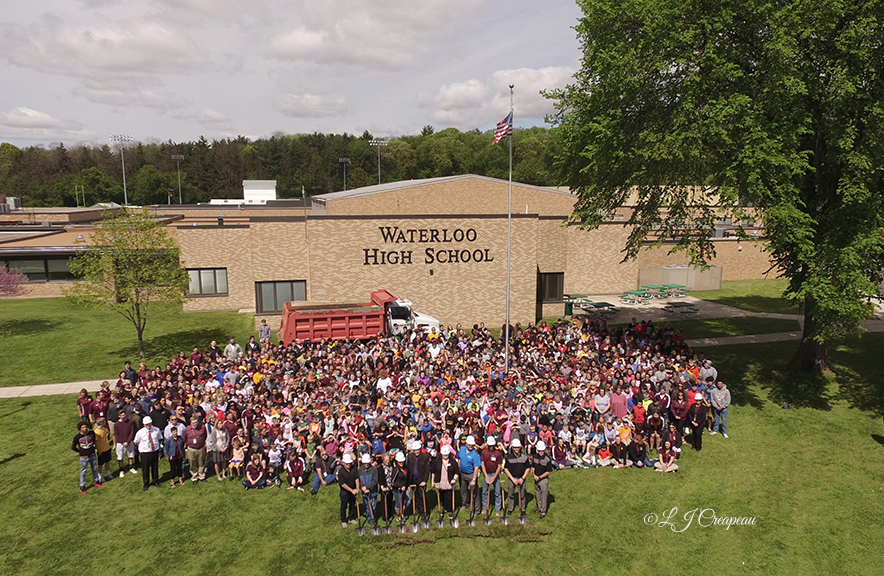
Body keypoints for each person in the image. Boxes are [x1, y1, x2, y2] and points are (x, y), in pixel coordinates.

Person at [72, 421, 103, 494]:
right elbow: (73, 447)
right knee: (83, 471)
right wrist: (80, 452)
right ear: (80, 428)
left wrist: (98, 450)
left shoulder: (92, 433)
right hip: (84, 457)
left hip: (92, 455)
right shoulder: (77, 437)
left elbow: (95, 442)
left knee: (94, 468)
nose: (85, 428)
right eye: (83, 427)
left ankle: (97, 481)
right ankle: (82, 486)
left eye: (86, 427)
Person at [132, 416, 163, 491]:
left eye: (149, 423)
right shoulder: (140, 432)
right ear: (144, 425)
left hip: (154, 451)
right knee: (145, 469)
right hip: (145, 453)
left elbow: (159, 438)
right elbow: (136, 442)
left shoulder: (156, 430)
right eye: (147, 424)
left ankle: (155, 481)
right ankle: (146, 483)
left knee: (155, 467)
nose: (148, 425)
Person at [457, 435, 482, 519]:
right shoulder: (462, 449)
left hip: (471, 474)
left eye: (472, 445)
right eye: (469, 444)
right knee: (463, 490)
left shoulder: (475, 454)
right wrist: (459, 466)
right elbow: (459, 457)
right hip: (462, 473)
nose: (470, 446)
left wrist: (474, 479)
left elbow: (476, 467)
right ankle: (465, 504)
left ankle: (477, 510)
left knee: (474, 493)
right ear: (466, 444)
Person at [431, 445, 459, 520]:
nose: (445, 456)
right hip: (440, 482)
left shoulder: (452, 461)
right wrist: (432, 481)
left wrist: (454, 479)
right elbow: (433, 472)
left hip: (449, 482)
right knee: (442, 496)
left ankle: (449, 510)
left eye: (447, 454)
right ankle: (444, 508)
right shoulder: (436, 461)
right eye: (444, 454)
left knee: (449, 497)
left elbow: (457, 471)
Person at [406, 440, 430, 521]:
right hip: (413, 479)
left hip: (421, 478)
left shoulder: (425, 457)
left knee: (422, 494)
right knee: (415, 494)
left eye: (418, 449)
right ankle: (416, 508)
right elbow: (408, 469)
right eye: (415, 450)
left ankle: (423, 511)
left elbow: (427, 470)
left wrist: (424, 481)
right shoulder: (409, 457)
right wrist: (408, 482)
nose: (416, 451)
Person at [503, 438, 529, 518]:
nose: (516, 449)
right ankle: (511, 508)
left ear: (520, 447)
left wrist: (522, 478)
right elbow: (506, 469)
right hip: (512, 478)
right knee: (511, 494)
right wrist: (512, 479)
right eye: (515, 447)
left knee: (522, 494)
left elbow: (528, 468)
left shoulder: (525, 457)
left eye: (518, 447)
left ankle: (523, 509)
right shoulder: (509, 457)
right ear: (512, 448)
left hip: (521, 478)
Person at [480, 436, 503, 516]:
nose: (491, 447)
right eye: (490, 445)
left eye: (492, 445)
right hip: (486, 473)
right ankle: (484, 507)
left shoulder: (498, 453)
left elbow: (499, 465)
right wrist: (486, 475)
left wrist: (494, 477)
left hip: (494, 474)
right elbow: (482, 464)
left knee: (497, 492)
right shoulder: (484, 452)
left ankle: (498, 508)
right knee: (485, 491)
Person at [337, 452, 360, 527]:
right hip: (345, 492)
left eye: (349, 463)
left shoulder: (354, 468)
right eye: (347, 464)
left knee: (352, 504)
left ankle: (351, 517)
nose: (349, 465)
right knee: (344, 506)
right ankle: (343, 520)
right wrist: (351, 490)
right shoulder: (341, 471)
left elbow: (356, 478)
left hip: (353, 490)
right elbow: (342, 484)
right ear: (343, 463)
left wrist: (357, 488)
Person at [183, 415, 208, 484]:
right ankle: (194, 477)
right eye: (193, 422)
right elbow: (185, 437)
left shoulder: (202, 427)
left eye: (196, 422)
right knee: (192, 463)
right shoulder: (187, 429)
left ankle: (201, 476)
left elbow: (205, 436)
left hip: (201, 447)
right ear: (191, 422)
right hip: (191, 448)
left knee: (201, 462)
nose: (195, 424)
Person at [532, 441, 553, 518]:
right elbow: (533, 466)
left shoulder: (547, 459)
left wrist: (540, 477)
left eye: (542, 451)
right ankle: (539, 508)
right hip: (536, 478)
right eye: (539, 451)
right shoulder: (535, 457)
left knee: (544, 495)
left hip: (543, 479)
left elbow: (548, 472)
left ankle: (543, 511)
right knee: (538, 494)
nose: (541, 452)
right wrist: (534, 475)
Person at [358, 453, 379, 526]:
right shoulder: (360, 470)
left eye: (367, 463)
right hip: (364, 491)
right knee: (366, 505)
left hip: (372, 491)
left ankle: (372, 518)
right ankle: (368, 517)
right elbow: (359, 480)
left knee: (373, 505)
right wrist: (363, 487)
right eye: (365, 463)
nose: (366, 464)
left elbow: (375, 480)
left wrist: (368, 487)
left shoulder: (374, 469)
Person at [391, 451, 410, 524]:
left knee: (408, 502)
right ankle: (400, 516)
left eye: (402, 462)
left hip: (405, 488)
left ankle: (402, 514)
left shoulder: (406, 468)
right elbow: (392, 482)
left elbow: (407, 478)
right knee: (398, 504)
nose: (401, 463)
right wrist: (399, 486)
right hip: (397, 490)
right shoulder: (396, 470)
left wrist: (407, 486)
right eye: (400, 462)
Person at [93, 417, 112, 483]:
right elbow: (96, 443)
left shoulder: (104, 429)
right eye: (104, 422)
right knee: (100, 464)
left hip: (107, 448)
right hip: (101, 450)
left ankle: (108, 473)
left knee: (107, 461)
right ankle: (100, 476)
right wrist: (99, 451)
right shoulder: (96, 432)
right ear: (101, 423)